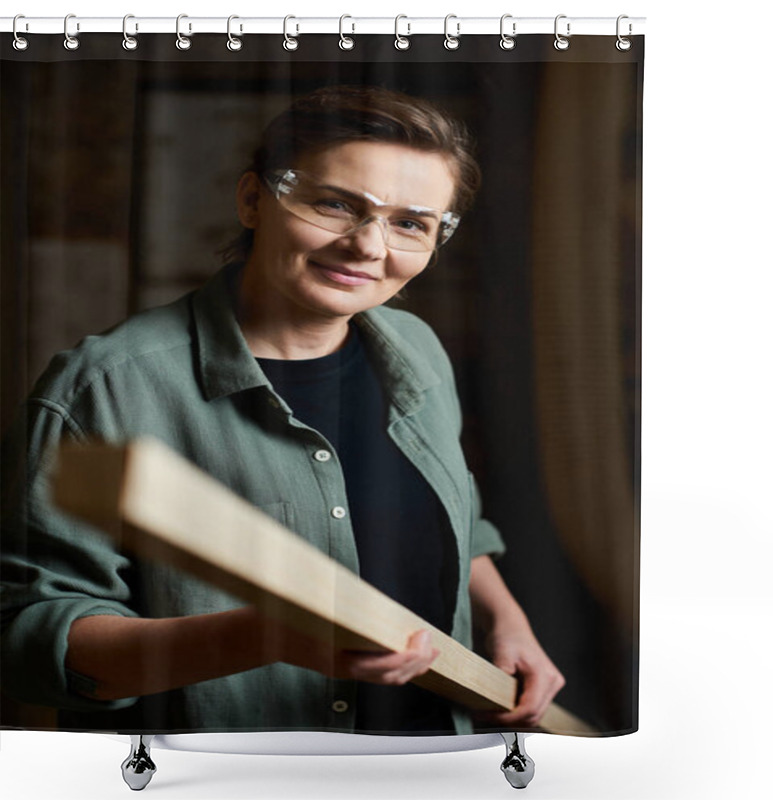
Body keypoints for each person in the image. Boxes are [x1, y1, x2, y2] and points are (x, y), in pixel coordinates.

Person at [1, 85, 564, 735]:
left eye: (411, 223)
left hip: (430, 768)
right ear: (251, 199)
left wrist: (507, 621)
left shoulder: (418, 352)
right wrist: (266, 636)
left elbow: (461, 519)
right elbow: (26, 648)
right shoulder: (99, 391)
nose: (368, 247)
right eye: (335, 204)